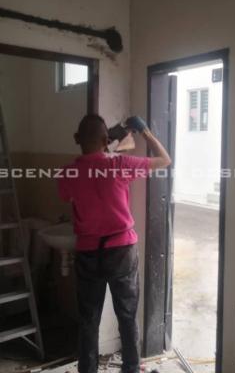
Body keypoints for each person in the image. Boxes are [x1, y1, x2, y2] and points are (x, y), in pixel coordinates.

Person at [57, 114, 171, 373]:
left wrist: (101, 149)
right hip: (121, 251)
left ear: (76, 139)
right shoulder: (120, 164)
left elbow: (68, 195)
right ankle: (131, 369)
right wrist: (144, 132)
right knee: (127, 316)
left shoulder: (67, 173)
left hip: (88, 252)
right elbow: (165, 160)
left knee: (88, 319)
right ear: (106, 139)